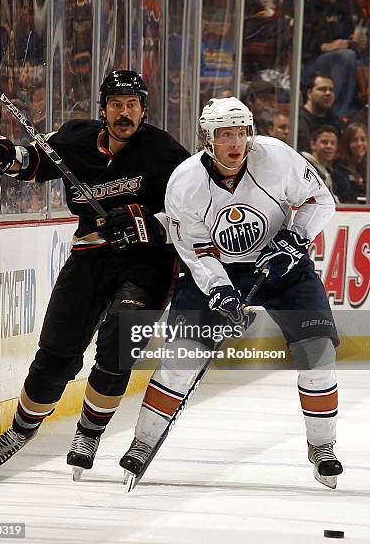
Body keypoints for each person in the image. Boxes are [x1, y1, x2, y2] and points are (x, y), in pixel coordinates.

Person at [0, 70, 189, 477]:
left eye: (133, 106)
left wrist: (144, 222)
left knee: (118, 346)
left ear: (144, 111)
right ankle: (22, 429)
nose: (125, 113)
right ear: (103, 109)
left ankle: (89, 432)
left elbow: (190, 212)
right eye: (117, 105)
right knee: (56, 354)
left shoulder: (166, 153)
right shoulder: (76, 138)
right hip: (89, 257)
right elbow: (32, 160)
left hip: (148, 263)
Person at [120, 96, 343, 489]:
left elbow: (320, 201)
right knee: (181, 358)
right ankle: (143, 442)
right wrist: (220, 290)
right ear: (208, 138)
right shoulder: (185, 182)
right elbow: (195, 250)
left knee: (318, 351)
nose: (236, 142)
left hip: (283, 268)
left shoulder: (276, 157)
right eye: (225, 134)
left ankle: (322, 446)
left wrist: (295, 237)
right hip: (218, 269)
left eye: (241, 131)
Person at [302, 0, 367, 118]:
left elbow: (360, 32)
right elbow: (297, 43)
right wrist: (326, 46)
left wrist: (361, 41)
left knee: (357, 58)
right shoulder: (307, 4)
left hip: (351, 58)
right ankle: (337, 113)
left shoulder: (351, 4)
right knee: (346, 56)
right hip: (312, 63)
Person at [298, 73, 345, 153]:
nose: (328, 93)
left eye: (331, 90)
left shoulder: (336, 121)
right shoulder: (297, 119)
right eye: (322, 89)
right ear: (309, 93)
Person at [335, 122, 367, 202]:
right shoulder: (337, 169)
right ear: (347, 143)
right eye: (354, 140)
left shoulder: (365, 169)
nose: (359, 144)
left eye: (363, 139)